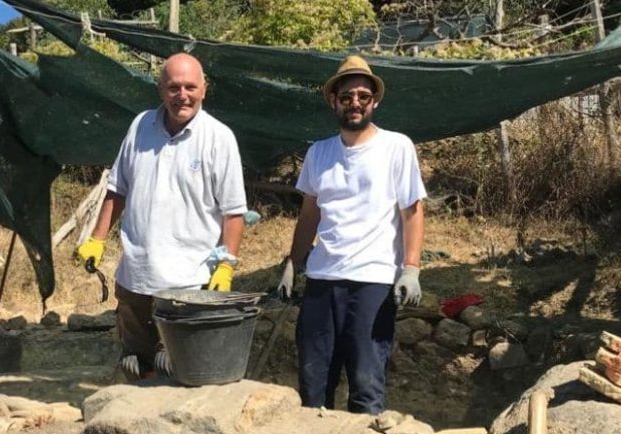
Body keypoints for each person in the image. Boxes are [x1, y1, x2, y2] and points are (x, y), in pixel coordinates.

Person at [75, 53, 247, 380]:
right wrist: (97, 240)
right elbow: (117, 189)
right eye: (173, 87)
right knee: (138, 362)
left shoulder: (218, 137)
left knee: (185, 366)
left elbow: (233, 211)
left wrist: (227, 263)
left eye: (190, 87)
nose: (182, 94)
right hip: (136, 275)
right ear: (160, 90)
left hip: (189, 280)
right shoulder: (141, 126)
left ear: (204, 90)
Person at [277, 55, 426, 415]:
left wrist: (411, 267)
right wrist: (293, 263)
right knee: (313, 384)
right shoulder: (319, 153)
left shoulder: (396, 147)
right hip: (323, 279)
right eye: (347, 97)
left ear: (374, 100)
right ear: (334, 101)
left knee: (365, 382)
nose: (354, 103)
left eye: (362, 95)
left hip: (372, 282)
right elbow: (311, 213)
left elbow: (412, 210)